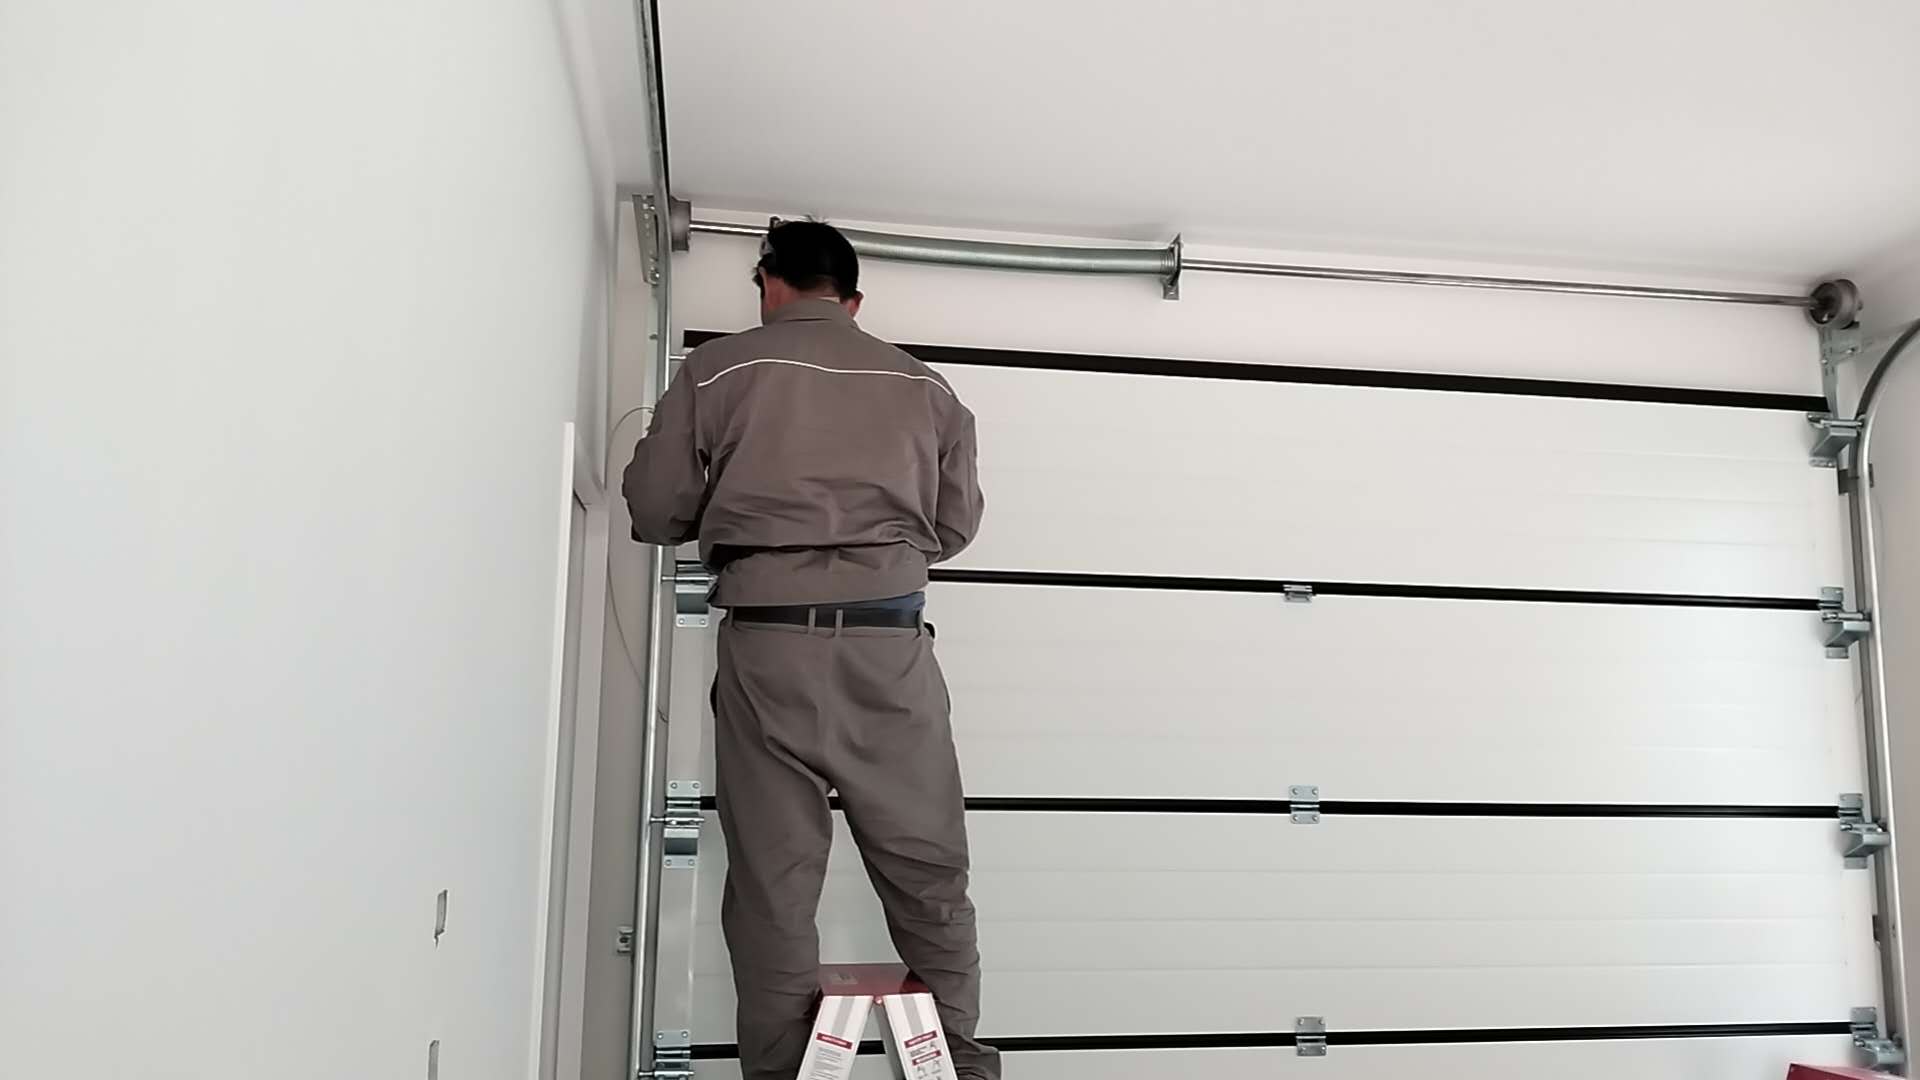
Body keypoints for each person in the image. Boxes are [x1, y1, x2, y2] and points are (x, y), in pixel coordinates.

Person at [623, 220, 998, 1080]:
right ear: (852, 301)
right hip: (888, 653)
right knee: (929, 873)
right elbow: (953, 528)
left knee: (773, 889)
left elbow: (655, 509)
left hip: (769, 651)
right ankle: (963, 1065)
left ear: (769, 283)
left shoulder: (719, 369)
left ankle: (780, 1072)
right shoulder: (927, 388)